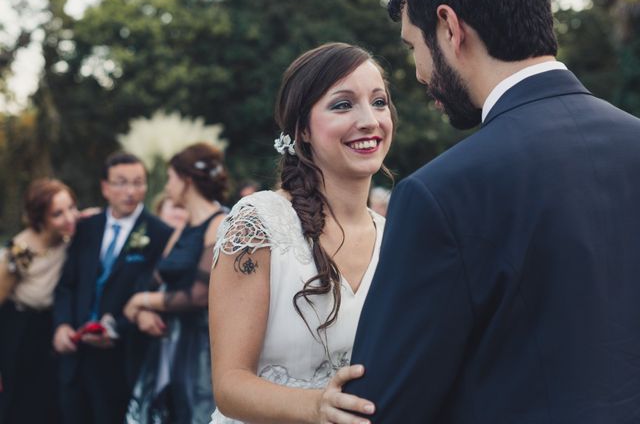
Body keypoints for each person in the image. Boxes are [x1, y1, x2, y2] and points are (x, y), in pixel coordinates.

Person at [345, 0, 640, 422]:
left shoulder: (440, 194)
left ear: (449, 27)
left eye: (413, 46)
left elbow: (380, 407)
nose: (419, 73)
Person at [208, 42, 396, 424]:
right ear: (302, 130)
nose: (370, 120)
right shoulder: (259, 222)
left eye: (379, 101)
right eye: (343, 104)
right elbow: (229, 385)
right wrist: (316, 406)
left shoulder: (393, 236)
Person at [53, 152, 173, 424]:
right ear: (105, 187)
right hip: (75, 356)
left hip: (121, 358)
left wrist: (116, 327)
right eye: (121, 183)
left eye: (138, 182)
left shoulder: (160, 234)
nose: (130, 191)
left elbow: (157, 294)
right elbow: (66, 285)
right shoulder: (85, 227)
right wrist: (61, 325)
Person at [124, 143, 228, 424]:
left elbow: (199, 294)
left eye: (171, 178)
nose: (168, 186)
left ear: (187, 180)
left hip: (201, 345)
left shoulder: (219, 223)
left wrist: (140, 302)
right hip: (168, 339)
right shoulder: (183, 227)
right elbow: (155, 278)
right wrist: (146, 309)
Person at [0, 178, 78, 424]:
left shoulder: (69, 235)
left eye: (71, 208)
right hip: (20, 332)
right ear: (40, 218)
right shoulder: (20, 252)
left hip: (53, 326)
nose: (69, 217)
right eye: (58, 214)